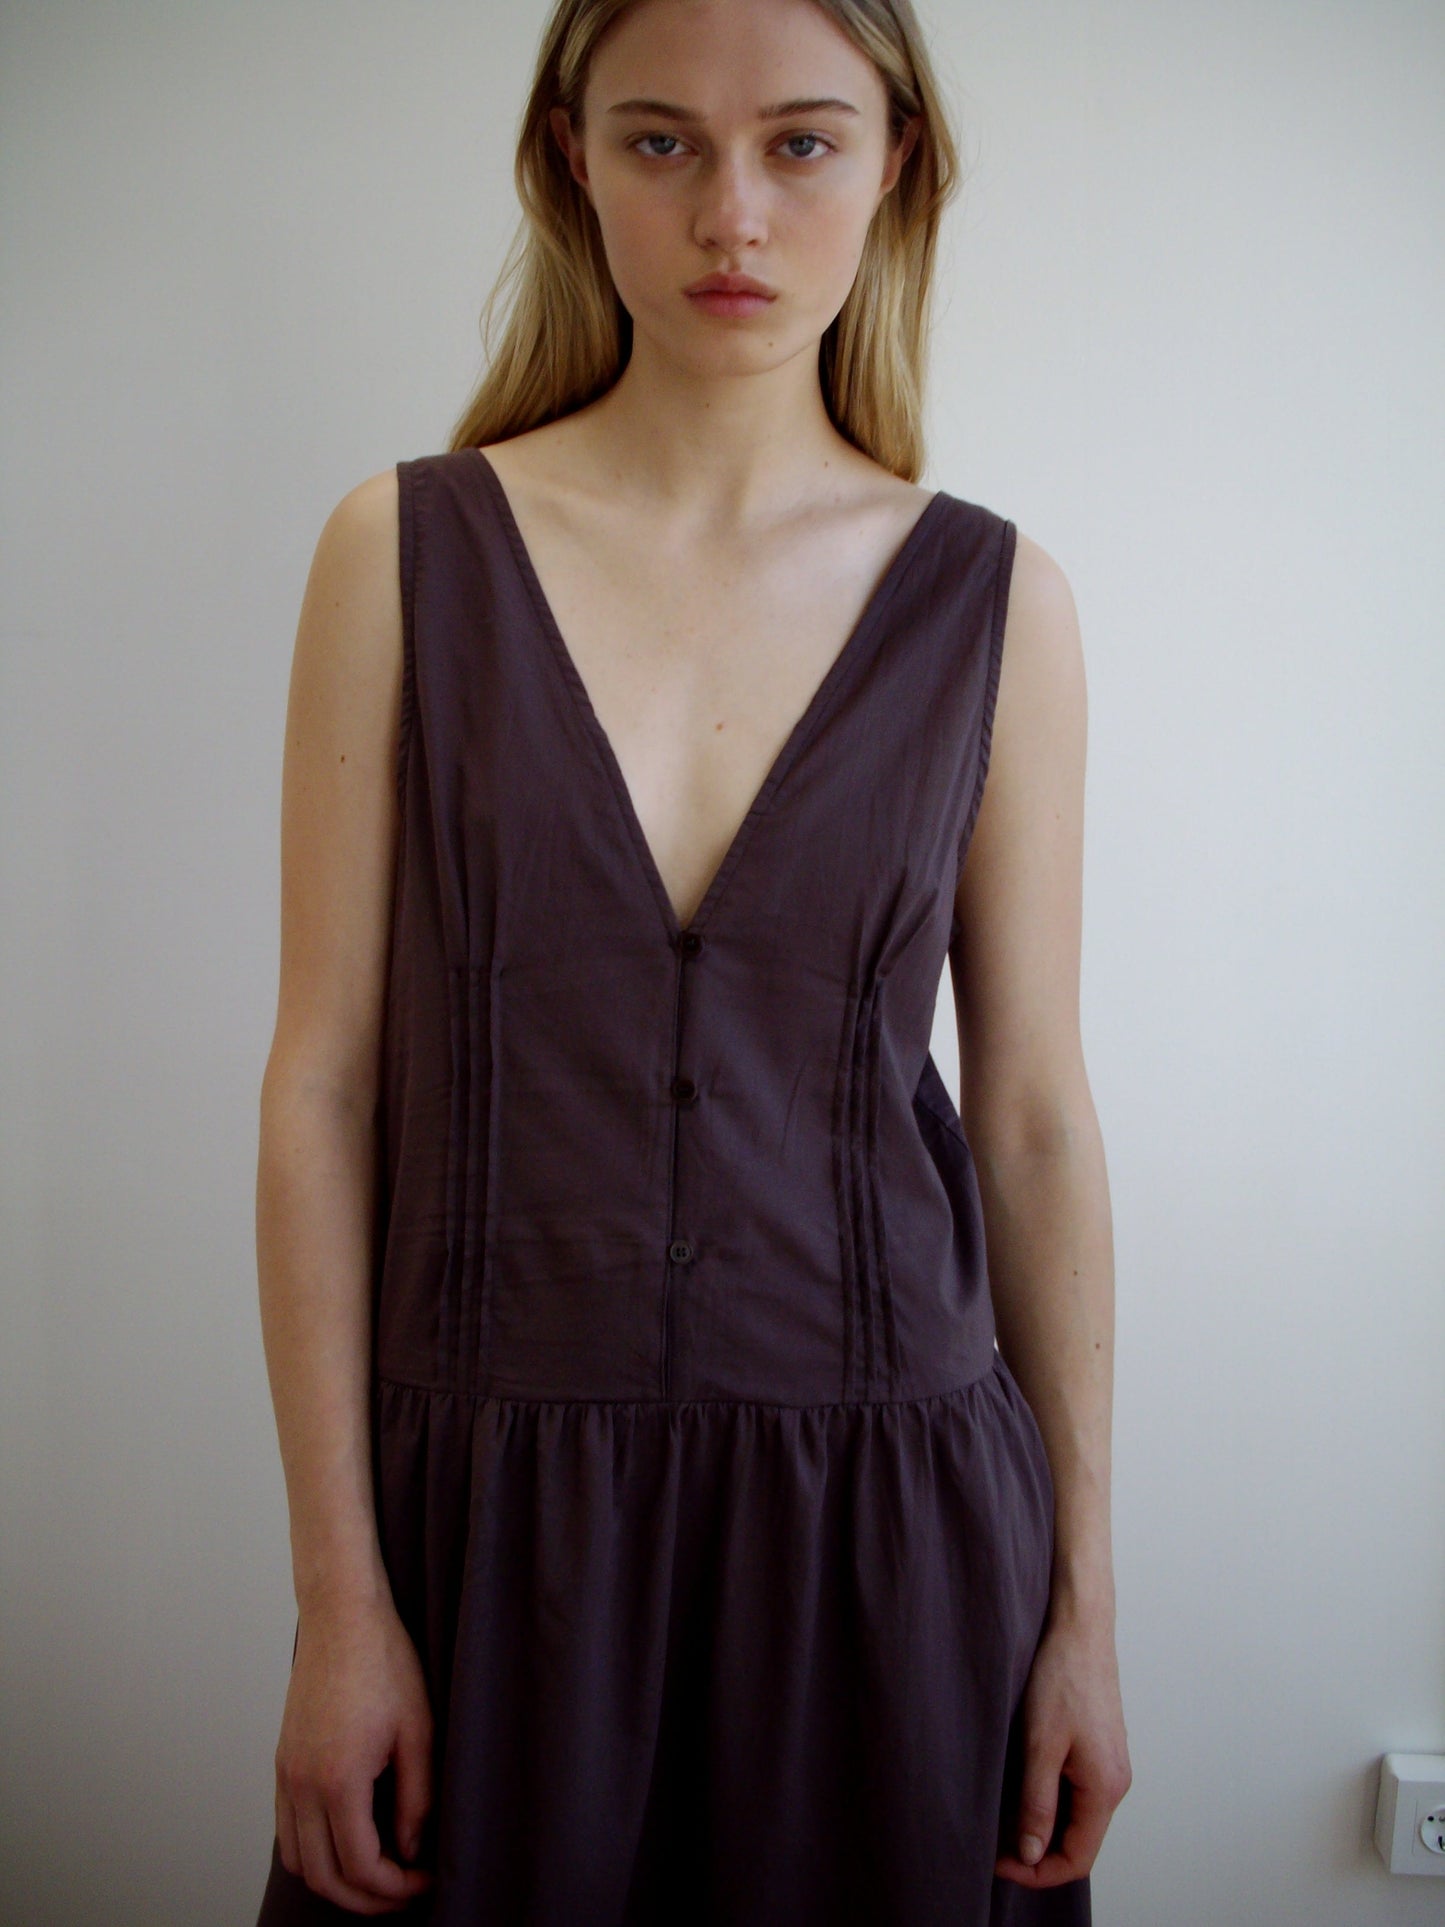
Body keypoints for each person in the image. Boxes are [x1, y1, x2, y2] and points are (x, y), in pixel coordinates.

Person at [253, 0, 1131, 1920]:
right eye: (661, 142)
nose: (730, 209)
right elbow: (322, 1085)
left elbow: (1037, 1118)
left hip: (888, 1533)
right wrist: (338, 1597)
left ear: (895, 163)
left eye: (799, 142)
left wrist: (1082, 1605)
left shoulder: (998, 604)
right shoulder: (401, 553)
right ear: (574, 159)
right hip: (491, 1532)